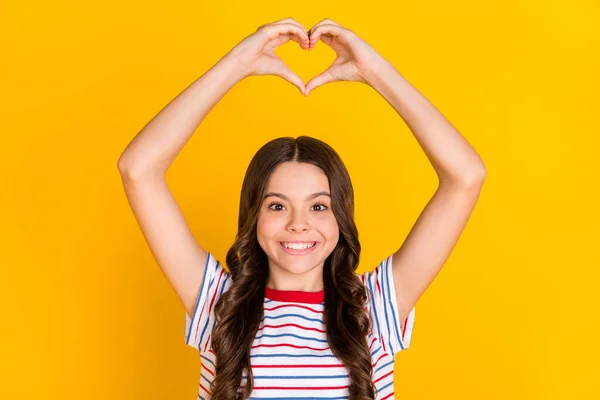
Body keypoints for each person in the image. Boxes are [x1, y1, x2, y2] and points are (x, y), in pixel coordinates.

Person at [117, 17, 486, 400]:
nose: (298, 225)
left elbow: (466, 176)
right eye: (277, 205)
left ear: (341, 217)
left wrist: (374, 70)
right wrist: (237, 64)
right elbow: (138, 169)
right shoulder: (218, 303)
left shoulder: (374, 307)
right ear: (253, 216)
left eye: (318, 207)